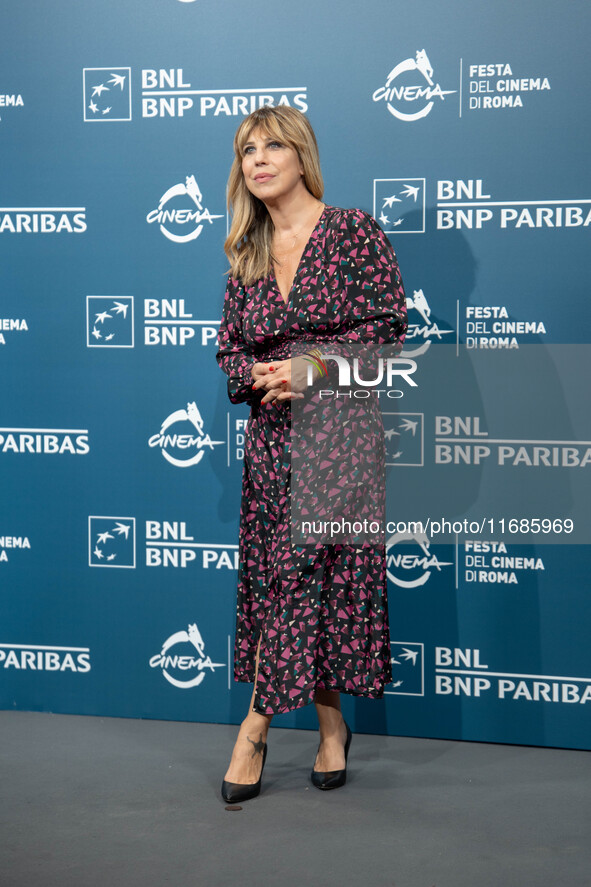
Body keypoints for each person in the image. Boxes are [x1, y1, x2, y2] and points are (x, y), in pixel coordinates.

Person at [216, 105, 407, 803]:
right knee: (292, 580)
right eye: (246, 151)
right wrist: (258, 376)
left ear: (301, 156)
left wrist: (311, 369)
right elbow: (231, 349)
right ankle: (331, 725)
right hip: (271, 445)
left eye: (271, 146)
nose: (258, 160)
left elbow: (387, 338)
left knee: (296, 577)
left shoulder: (352, 231)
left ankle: (253, 730)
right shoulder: (248, 250)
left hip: (342, 439)